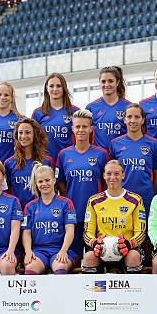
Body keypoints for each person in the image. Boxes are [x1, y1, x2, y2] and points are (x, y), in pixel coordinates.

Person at [56, 109, 109, 259]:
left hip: (96, 215)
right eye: (77, 126)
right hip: (74, 215)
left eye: (84, 126)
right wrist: (69, 202)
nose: (81, 130)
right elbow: (60, 182)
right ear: (72, 128)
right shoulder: (64, 155)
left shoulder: (101, 154)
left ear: (91, 129)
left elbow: (107, 183)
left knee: (96, 258)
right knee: (74, 257)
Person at [82, 160, 146, 273]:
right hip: (101, 249)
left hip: (127, 248)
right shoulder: (93, 201)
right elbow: (87, 233)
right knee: (89, 258)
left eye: (116, 174)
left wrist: (129, 243)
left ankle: (133, 290)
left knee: (133, 258)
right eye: (109, 173)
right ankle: (93, 290)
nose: (112, 177)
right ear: (104, 175)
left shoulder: (136, 200)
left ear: (123, 175)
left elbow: (141, 232)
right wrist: (95, 243)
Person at [22, 162, 77, 274]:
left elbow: (70, 230)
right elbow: (26, 233)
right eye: (40, 181)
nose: (44, 184)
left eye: (47, 180)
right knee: (30, 268)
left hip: (59, 249)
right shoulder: (30, 206)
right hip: (38, 251)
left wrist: (63, 250)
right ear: (36, 183)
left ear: (54, 180)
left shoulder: (66, 203)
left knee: (60, 267)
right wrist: (28, 251)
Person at [109, 103, 157, 211]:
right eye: (129, 117)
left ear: (143, 120)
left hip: (146, 197)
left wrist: (153, 193)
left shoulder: (153, 144)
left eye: (137, 117)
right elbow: (111, 173)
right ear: (124, 120)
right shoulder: (115, 143)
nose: (133, 120)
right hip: (122, 197)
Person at [4, 118, 54, 209]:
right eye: (20, 132)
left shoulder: (46, 161)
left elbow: (53, 190)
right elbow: (7, 192)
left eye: (27, 132)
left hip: (40, 213)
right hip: (17, 215)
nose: (23, 136)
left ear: (35, 134)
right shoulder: (9, 163)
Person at [32, 73, 80, 160]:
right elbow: (33, 140)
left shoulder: (75, 111)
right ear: (47, 88)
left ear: (64, 88)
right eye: (51, 86)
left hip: (68, 159)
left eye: (58, 86)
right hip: (45, 160)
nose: (55, 89)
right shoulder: (38, 113)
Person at [86, 66, 132, 149]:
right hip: (100, 157)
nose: (106, 84)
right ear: (99, 83)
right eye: (103, 81)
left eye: (110, 81)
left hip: (120, 155)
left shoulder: (128, 107)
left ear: (117, 82)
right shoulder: (91, 108)